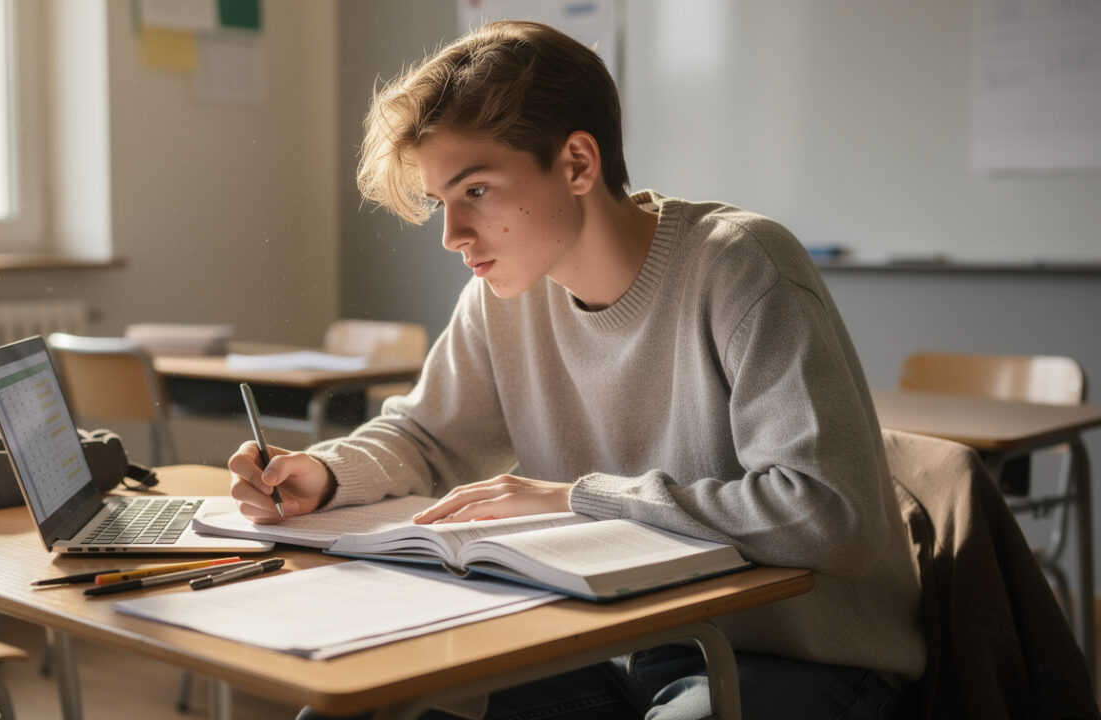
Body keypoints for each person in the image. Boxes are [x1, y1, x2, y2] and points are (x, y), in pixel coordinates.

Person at [229, 19, 924, 720]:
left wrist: (577, 498)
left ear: (578, 164)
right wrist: (326, 474)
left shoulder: (743, 266)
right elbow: (427, 438)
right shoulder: (502, 296)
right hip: (615, 636)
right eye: (443, 203)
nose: (452, 236)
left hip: (794, 661)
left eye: (475, 192)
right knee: (357, 709)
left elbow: (830, 516)